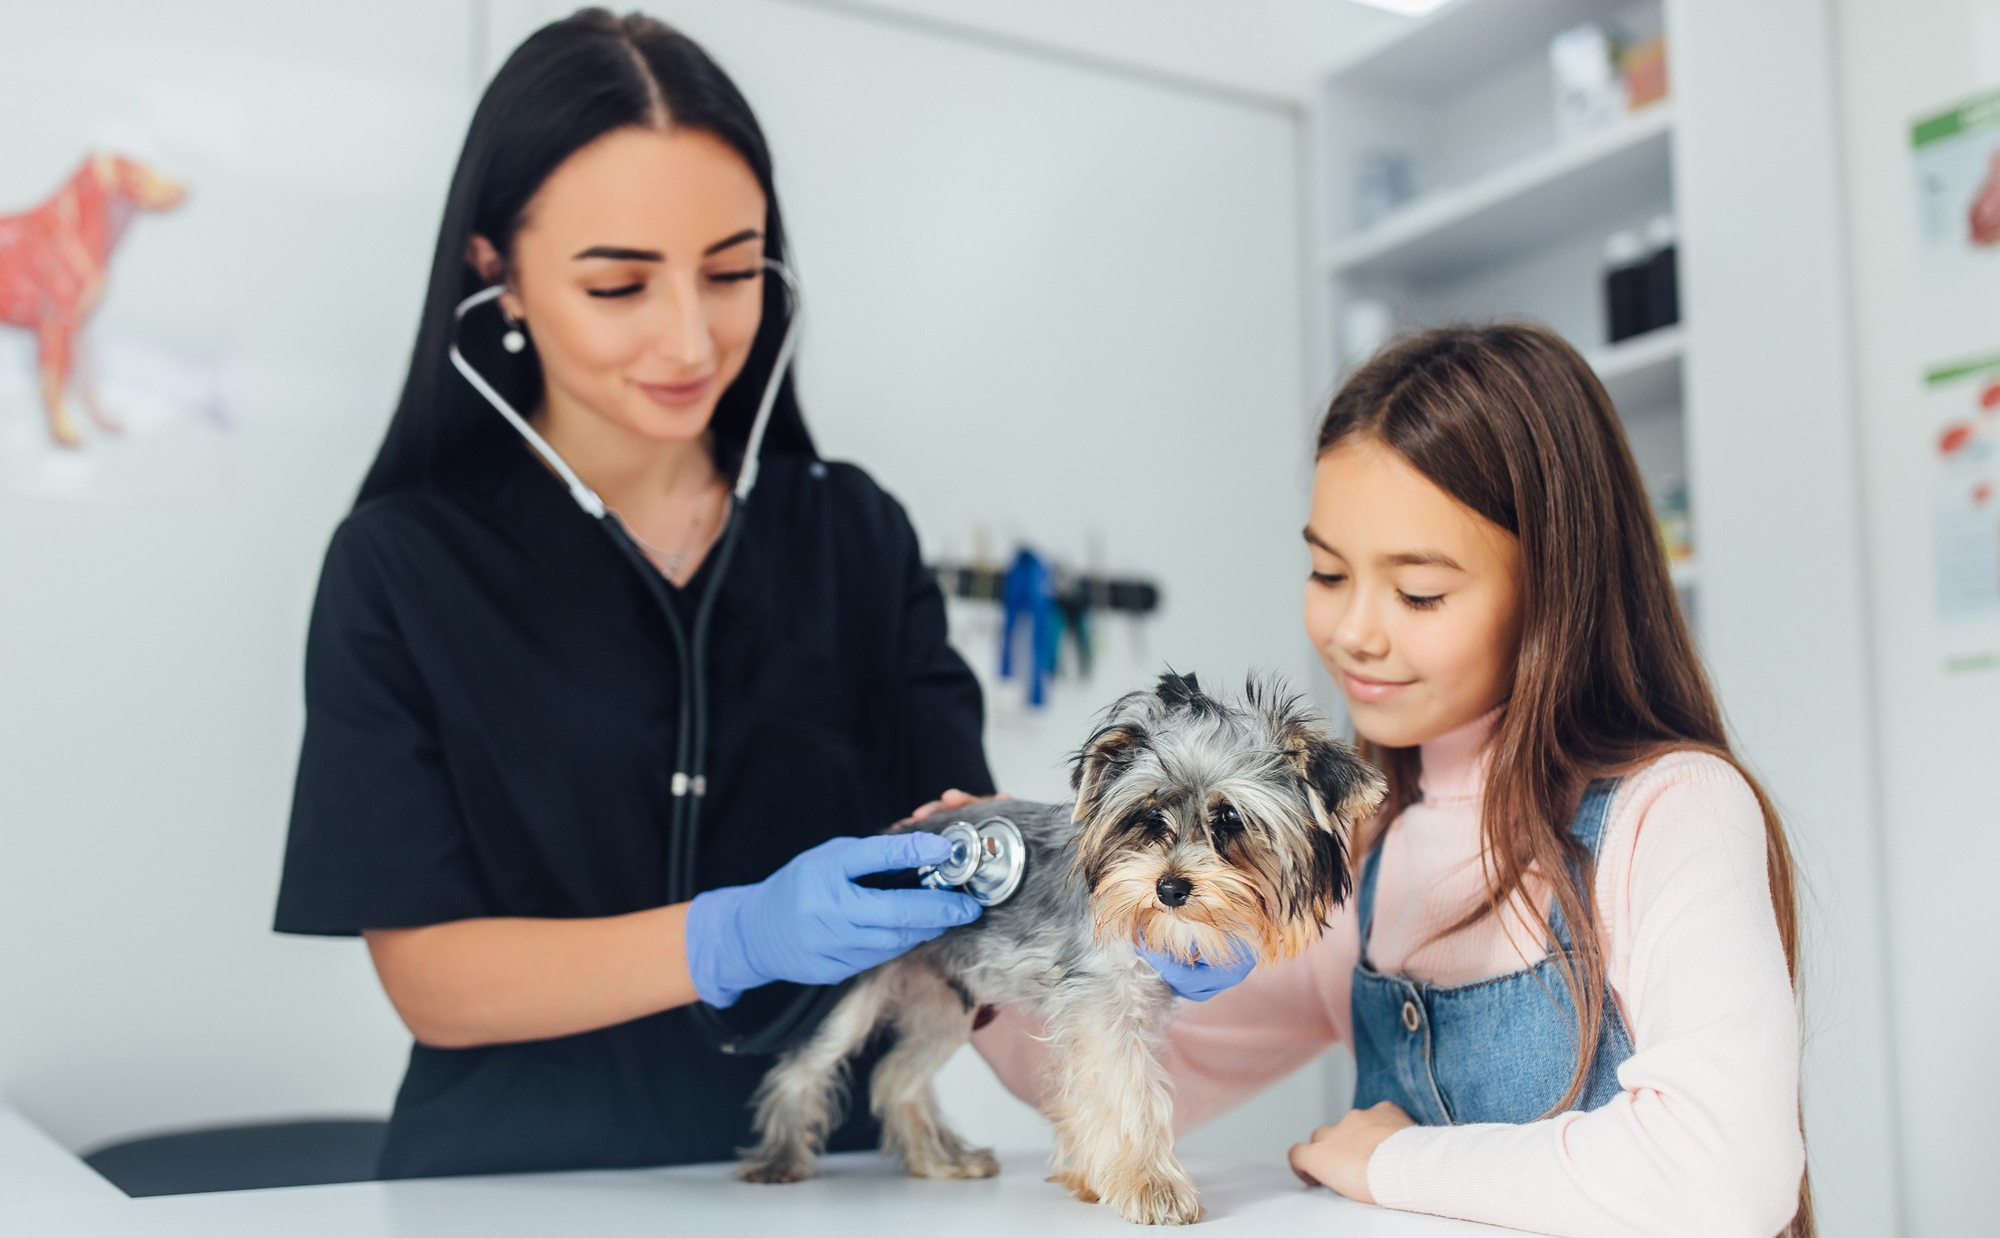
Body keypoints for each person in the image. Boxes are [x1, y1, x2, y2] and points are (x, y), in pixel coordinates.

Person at [273, 10, 992, 1180]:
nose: (690, 338)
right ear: (492, 271)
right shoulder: (401, 563)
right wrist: (734, 933)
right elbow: (434, 982)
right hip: (515, 1188)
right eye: (618, 285)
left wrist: (1085, 898)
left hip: (827, 1188)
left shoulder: (853, 533)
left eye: (730, 271)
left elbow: (955, 854)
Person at [968, 323, 1812, 1238]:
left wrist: (1387, 1162)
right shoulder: (1361, 848)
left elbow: (1722, 1179)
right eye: (1327, 571)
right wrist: (974, 936)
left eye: (1418, 594)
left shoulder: (1673, 811)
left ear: (1554, 591)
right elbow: (1122, 1052)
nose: (1354, 633)